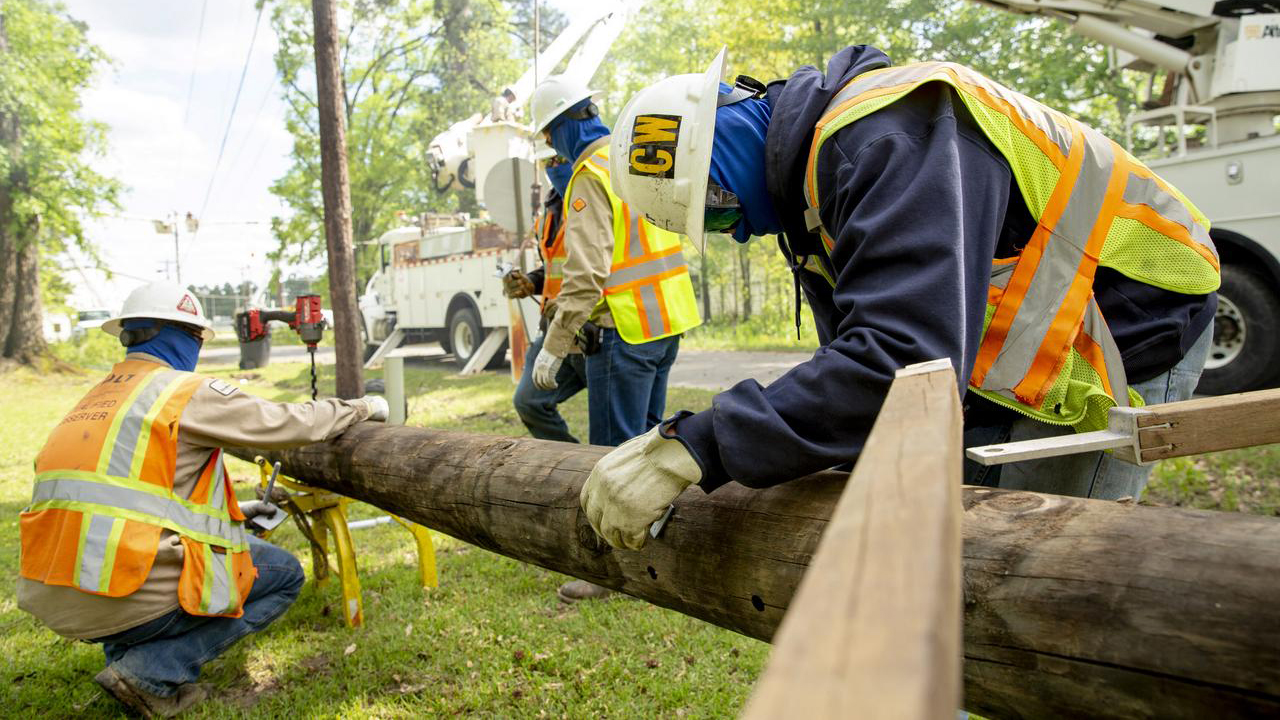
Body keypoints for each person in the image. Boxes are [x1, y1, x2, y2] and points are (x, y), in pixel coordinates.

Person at [580, 47, 1219, 551]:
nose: (739, 233)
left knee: (1037, 562)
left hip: (1136, 318)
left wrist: (700, 443)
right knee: (952, 535)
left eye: (718, 218)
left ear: (727, 162)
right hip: (998, 354)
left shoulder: (886, 138)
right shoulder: (814, 181)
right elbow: (879, 362)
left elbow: (904, 359)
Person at [18, 281, 390, 718]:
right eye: (196, 338)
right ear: (179, 335)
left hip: (59, 590)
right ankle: (149, 671)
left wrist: (233, 518)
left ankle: (123, 654)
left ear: (128, 335)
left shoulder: (95, 398)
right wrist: (363, 407)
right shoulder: (179, 391)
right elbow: (289, 423)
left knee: (150, 562)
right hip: (122, 590)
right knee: (283, 574)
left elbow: (129, 498)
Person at [527, 74, 704, 600]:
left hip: (624, 330)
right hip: (666, 322)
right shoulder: (630, 156)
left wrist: (556, 345)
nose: (549, 148)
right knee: (651, 446)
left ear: (561, 128)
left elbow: (587, 273)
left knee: (615, 457)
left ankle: (611, 575)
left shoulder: (587, 174)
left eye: (547, 136)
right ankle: (655, 553)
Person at [506, 155, 589, 442]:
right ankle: (573, 464)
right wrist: (531, 282)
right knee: (529, 401)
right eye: (548, 160)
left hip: (595, 328)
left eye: (561, 158)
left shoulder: (597, 191)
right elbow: (555, 264)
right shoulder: (551, 208)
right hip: (555, 326)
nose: (555, 165)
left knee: (618, 432)